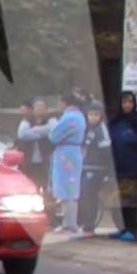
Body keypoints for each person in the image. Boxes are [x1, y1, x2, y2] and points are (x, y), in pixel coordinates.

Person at [106, 90, 137, 241]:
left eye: (130, 102)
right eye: (124, 102)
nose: (127, 105)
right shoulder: (115, 122)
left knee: (131, 202)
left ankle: (132, 230)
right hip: (116, 168)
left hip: (134, 169)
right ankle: (122, 228)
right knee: (116, 202)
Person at [47, 95, 87, 236]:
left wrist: (51, 127)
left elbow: (53, 135)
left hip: (66, 154)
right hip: (74, 152)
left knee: (66, 190)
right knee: (71, 189)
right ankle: (69, 223)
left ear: (64, 102)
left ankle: (69, 224)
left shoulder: (69, 117)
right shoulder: (80, 116)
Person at [80, 101, 114, 237]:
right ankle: (85, 224)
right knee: (85, 197)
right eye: (90, 114)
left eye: (96, 114)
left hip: (97, 169)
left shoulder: (101, 130)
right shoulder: (88, 129)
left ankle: (89, 226)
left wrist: (107, 172)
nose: (93, 117)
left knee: (91, 198)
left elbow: (106, 152)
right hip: (86, 167)